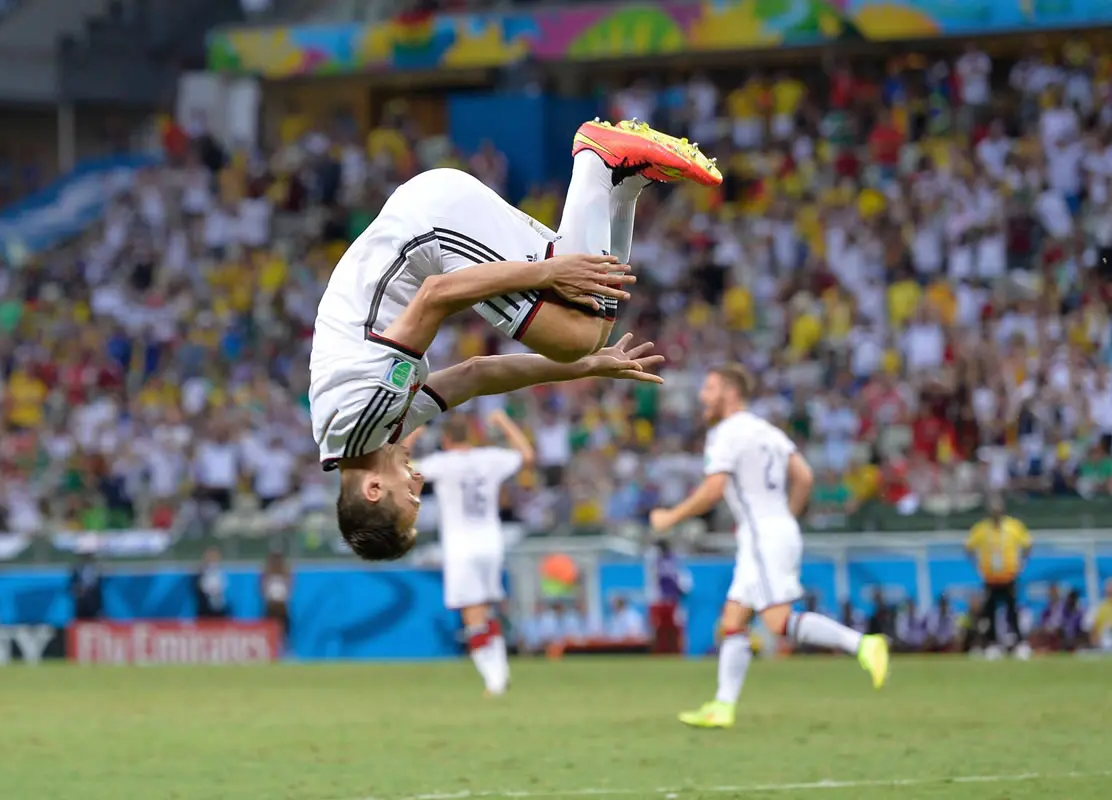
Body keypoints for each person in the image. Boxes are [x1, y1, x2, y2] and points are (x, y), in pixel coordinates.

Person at [315, 119, 721, 561]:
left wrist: (547, 273)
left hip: (427, 228)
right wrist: (586, 367)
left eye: (410, 499)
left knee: (573, 333)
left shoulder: (363, 417)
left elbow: (435, 296)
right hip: (426, 219)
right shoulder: (365, 435)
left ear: (374, 489)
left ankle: (598, 158)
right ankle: (625, 180)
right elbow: (475, 375)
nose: (419, 486)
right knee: (588, 332)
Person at [649, 364, 889, 730]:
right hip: (773, 528)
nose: (703, 396)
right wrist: (785, 519)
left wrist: (670, 518)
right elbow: (804, 477)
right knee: (733, 619)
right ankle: (722, 706)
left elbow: (714, 489)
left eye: (710, 388)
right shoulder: (768, 431)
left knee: (777, 621)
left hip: (762, 533)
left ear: (731, 392)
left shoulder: (725, 433)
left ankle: (863, 645)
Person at [415, 409, 535, 696]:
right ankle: (500, 672)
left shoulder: (441, 463)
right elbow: (527, 456)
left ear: (444, 438)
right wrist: (505, 422)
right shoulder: (490, 458)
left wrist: (411, 435)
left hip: (462, 547)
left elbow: (403, 469)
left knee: (472, 616)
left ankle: (494, 679)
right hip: (491, 542)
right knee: (485, 609)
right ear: (470, 435)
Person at [964, 495, 1032, 659]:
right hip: (991, 578)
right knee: (990, 612)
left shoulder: (1013, 526)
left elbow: (1028, 544)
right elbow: (968, 547)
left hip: (1009, 576)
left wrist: (1021, 564)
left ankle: (1019, 643)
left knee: (1012, 611)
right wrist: (978, 567)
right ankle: (993, 644)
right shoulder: (981, 529)